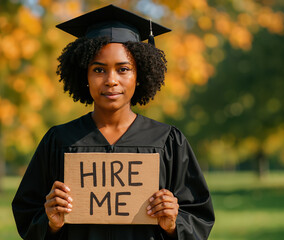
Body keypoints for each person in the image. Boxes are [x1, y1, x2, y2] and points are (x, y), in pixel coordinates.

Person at [12, 4, 215, 240]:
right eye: (99, 70)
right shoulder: (59, 140)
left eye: (123, 69)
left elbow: (199, 217)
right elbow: (27, 215)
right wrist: (51, 224)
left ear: (140, 75)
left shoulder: (168, 141)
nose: (111, 80)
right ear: (84, 76)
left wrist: (173, 224)